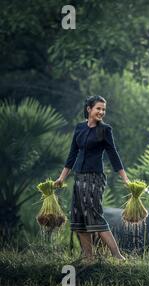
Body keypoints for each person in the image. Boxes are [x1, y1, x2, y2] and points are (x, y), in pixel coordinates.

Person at [54, 95, 129, 261]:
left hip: (95, 178)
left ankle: (118, 256)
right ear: (89, 109)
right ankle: (89, 258)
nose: (101, 112)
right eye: (98, 108)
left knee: (94, 215)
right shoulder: (79, 128)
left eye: (103, 109)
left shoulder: (105, 130)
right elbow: (72, 155)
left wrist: (126, 180)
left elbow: (113, 155)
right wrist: (61, 178)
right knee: (78, 216)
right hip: (79, 178)